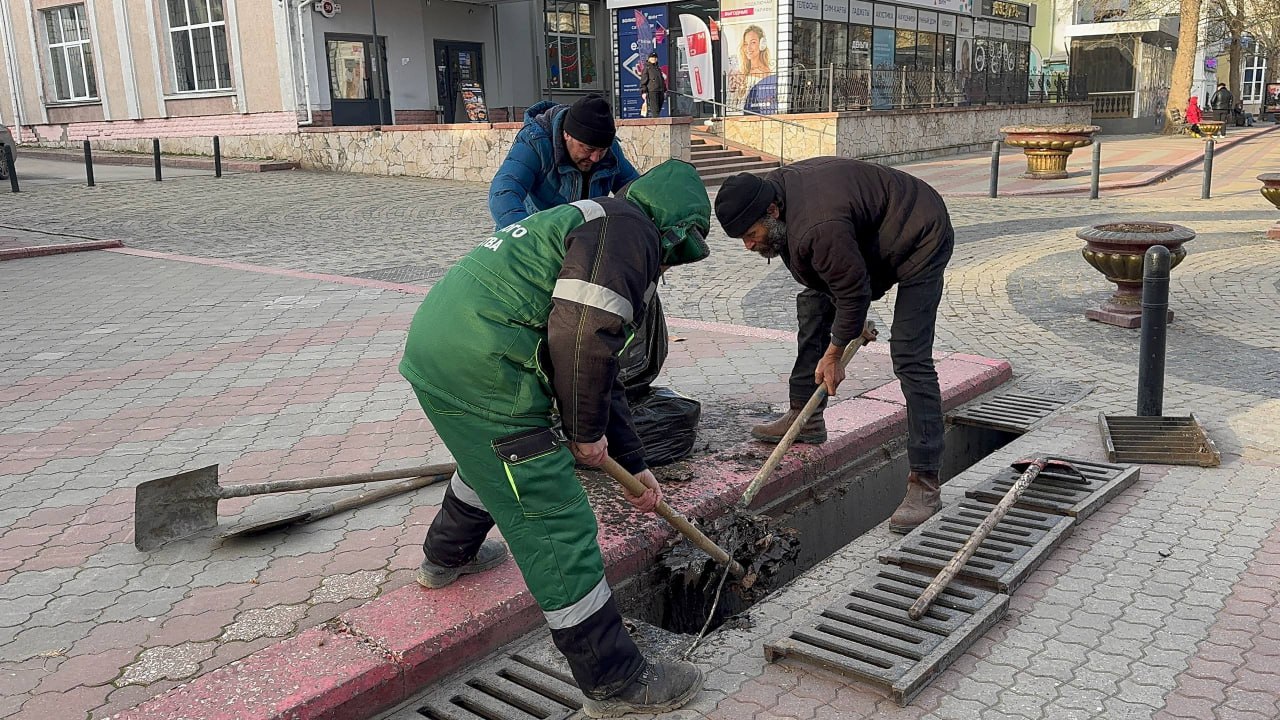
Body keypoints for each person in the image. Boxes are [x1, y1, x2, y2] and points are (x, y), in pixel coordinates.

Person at [401, 159, 712, 717]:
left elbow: (604, 366)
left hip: (439, 350)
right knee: (553, 517)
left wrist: (634, 463)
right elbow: (582, 337)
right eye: (674, 255)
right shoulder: (631, 234)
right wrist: (584, 435)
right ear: (674, 232)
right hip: (486, 367)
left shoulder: (596, 217)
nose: (665, 266)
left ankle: (444, 559)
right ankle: (615, 681)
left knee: (490, 460)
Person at [713, 159, 954, 534]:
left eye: (751, 233)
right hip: (870, 234)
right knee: (813, 304)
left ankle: (925, 482)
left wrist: (835, 352)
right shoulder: (780, 197)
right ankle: (805, 417)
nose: (748, 245)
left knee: (910, 355)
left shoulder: (816, 226)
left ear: (772, 211)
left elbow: (853, 292)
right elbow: (836, 280)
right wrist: (840, 335)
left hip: (920, 233)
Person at [489, 94, 640, 229]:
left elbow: (637, 193)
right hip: (532, 235)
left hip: (581, 240)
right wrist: (528, 237)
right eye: (588, 149)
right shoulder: (535, 143)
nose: (595, 158)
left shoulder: (610, 149)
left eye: (602, 150)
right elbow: (503, 193)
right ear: (567, 134)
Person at [640, 52, 667, 118]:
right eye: (652, 57)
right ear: (649, 59)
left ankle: (657, 121)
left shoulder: (658, 69)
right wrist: (643, 92)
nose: (653, 59)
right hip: (652, 91)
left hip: (660, 91)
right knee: (655, 110)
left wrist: (665, 90)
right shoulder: (647, 68)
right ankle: (657, 125)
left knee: (659, 108)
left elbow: (662, 80)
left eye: (655, 57)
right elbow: (643, 81)